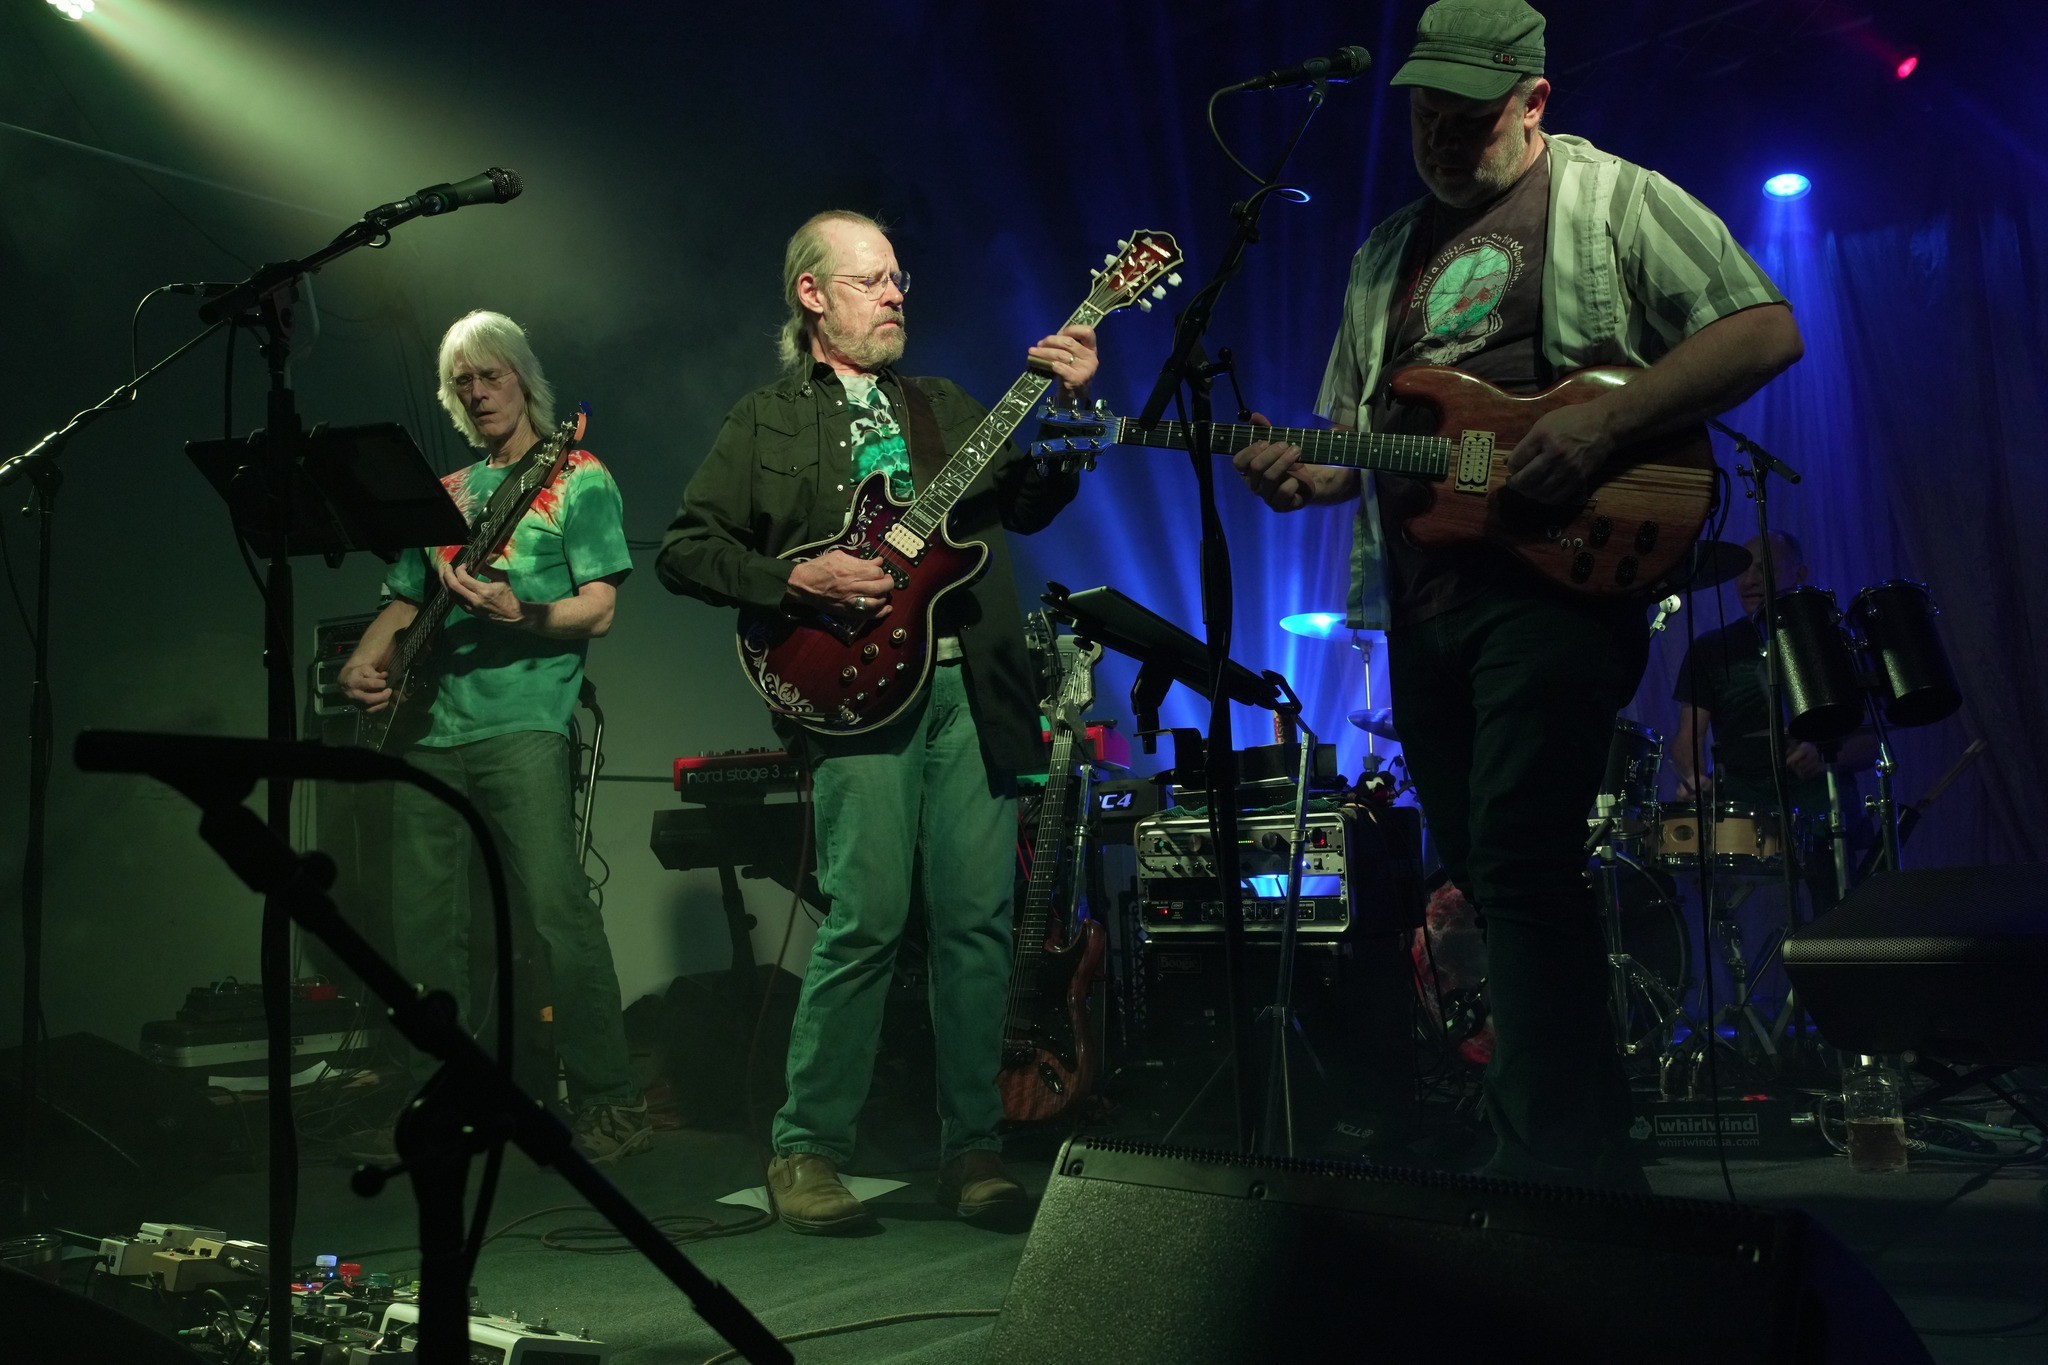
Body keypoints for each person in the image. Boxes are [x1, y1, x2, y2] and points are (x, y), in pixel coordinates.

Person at [1233, 0, 1805, 1187]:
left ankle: (1546, 1161)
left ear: (1532, 100)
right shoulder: (1383, 254)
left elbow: (1760, 331)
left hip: (1557, 583)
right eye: (1423, 120)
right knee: (1489, 875)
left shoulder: (1612, 198)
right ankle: (1583, 1153)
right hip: (1424, 602)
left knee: (1518, 855)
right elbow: (1345, 448)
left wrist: (1602, 424)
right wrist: (1299, 473)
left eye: (1467, 120)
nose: (1440, 141)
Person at [656, 210, 1094, 1233]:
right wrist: (793, 578)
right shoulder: (766, 420)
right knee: (866, 919)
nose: (896, 294)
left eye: (900, 278)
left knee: (977, 927)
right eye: (871, 280)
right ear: (812, 295)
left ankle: (973, 1149)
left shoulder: (944, 405)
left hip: (971, 689)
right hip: (854, 696)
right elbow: (684, 549)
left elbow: (1029, 500)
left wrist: (1076, 411)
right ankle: (807, 1149)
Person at [339, 310, 649, 1164]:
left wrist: (524, 610)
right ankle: (436, 1101)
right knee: (423, 932)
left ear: (522, 378)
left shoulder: (577, 473)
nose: (478, 391)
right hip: (429, 730)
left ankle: (612, 1102)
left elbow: (601, 607)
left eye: (491, 375)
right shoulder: (444, 492)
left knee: (556, 914)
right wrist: (365, 660)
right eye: (462, 382)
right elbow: (404, 598)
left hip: (523, 724)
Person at [1671, 530, 1876, 908]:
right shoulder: (1710, 649)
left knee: (1834, 910)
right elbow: (1687, 740)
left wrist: (1826, 758)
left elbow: (1870, 743)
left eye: (1763, 569)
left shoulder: (1834, 641)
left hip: (1821, 808)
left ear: (1799, 574)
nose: (1748, 580)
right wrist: (1694, 778)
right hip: (1744, 815)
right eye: (1742, 570)